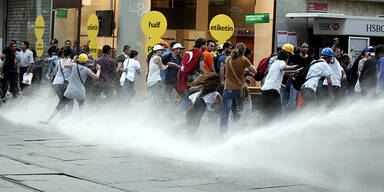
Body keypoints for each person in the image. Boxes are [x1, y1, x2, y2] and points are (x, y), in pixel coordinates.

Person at [39, 54, 101, 124]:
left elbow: (66, 65)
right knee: (81, 109)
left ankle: (48, 120)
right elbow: (96, 77)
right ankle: (82, 124)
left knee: (59, 106)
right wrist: (98, 70)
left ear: (79, 60)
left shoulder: (74, 65)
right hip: (80, 92)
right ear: (86, 62)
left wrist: (73, 60)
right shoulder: (87, 70)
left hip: (70, 91)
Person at [220, 43, 257, 134]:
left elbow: (222, 70)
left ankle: (222, 133)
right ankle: (243, 126)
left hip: (227, 89)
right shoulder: (244, 60)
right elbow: (254, 71)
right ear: (244, 51)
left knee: (225, 113)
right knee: (248, 102)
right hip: (238, 90)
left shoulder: (228, 59)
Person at [261, 50, 301, 120]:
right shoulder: (281, 62)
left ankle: (263, 125)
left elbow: (284, 73)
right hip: (273, 90)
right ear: (286, 58)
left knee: (266, 111)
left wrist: (294, 72)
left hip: (265, 90)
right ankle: (275, 126)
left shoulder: (274, 63)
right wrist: (294, 67)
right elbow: (284, 68)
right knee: (277, 112)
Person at [177, 38, 207, 111]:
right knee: (190, 97)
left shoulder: (189, 51)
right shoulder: (201, 54)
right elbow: (201, 69)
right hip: (193, 77)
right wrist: (209, 76)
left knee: (188, 96)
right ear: (202, 45)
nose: (206, 47)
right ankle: (176, 112)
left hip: (185, 76)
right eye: (205, 45)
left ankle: (178, 112)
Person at [284, 42, 313, 112]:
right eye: (303, 47)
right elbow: (288, 69)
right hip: (295, 84)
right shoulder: (294, 57)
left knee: (303, 104)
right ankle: (284, 118)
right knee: (291, 102)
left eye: (306, 47)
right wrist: (292, 76)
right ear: (300, 48)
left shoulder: (310, 59)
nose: (305, 48)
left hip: (305, 85)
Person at [51, 48, 74, 112]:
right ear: (70, 54)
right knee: (70, 100)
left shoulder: (59, 61)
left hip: (56, 83)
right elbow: (72, 73)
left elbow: (54, 72)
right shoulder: (71, 61)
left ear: (63, 53)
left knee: (62, 100)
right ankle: (68, 115)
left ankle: (62, 116)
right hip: (65, 84)